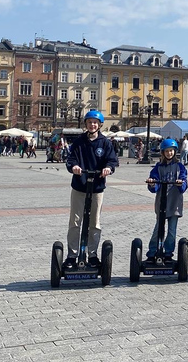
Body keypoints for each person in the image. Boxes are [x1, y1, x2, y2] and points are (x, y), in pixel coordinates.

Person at [63, 110, 119, 270]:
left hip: (97, 187)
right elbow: (71, 158)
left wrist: (108, 168)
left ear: (99, 125)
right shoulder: (79, 142)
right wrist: (73, 166)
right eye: (89, 122)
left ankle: (92, 255)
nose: (92, 125)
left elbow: (112, 160)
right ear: (86, 124)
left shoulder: (105, 143)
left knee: (95, 222)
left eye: (95, 122)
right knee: (75, 221)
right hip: (79, 185)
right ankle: (72, 255)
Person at [145, 139, 188, 261]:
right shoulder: (158, 167)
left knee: (172, 231)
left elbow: (184, 182)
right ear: (163, 153)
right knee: (158, 228)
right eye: (167, 151)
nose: (169, 153)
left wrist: (181, 183)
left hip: (175, 203)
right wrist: (152, 183)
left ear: (175, 152)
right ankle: (153, 251)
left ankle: (168, 252)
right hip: (162, 203)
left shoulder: (180, 167)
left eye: (171, 151)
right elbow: (154, 184)